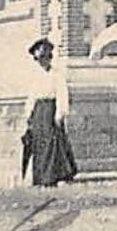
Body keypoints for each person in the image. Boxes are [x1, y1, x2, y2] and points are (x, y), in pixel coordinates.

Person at [22, 37, 77, 187]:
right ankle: (40, 177)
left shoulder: (56, 75)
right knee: (39, 144)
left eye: (46, 58)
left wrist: (60, 113)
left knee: (52, 142)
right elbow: (31, 96)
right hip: (38, 111)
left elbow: (61, 94)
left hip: (50, 109)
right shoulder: (35, 76)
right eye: (40, 58)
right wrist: (28, 114)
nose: (43, 61)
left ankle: (53, 176)